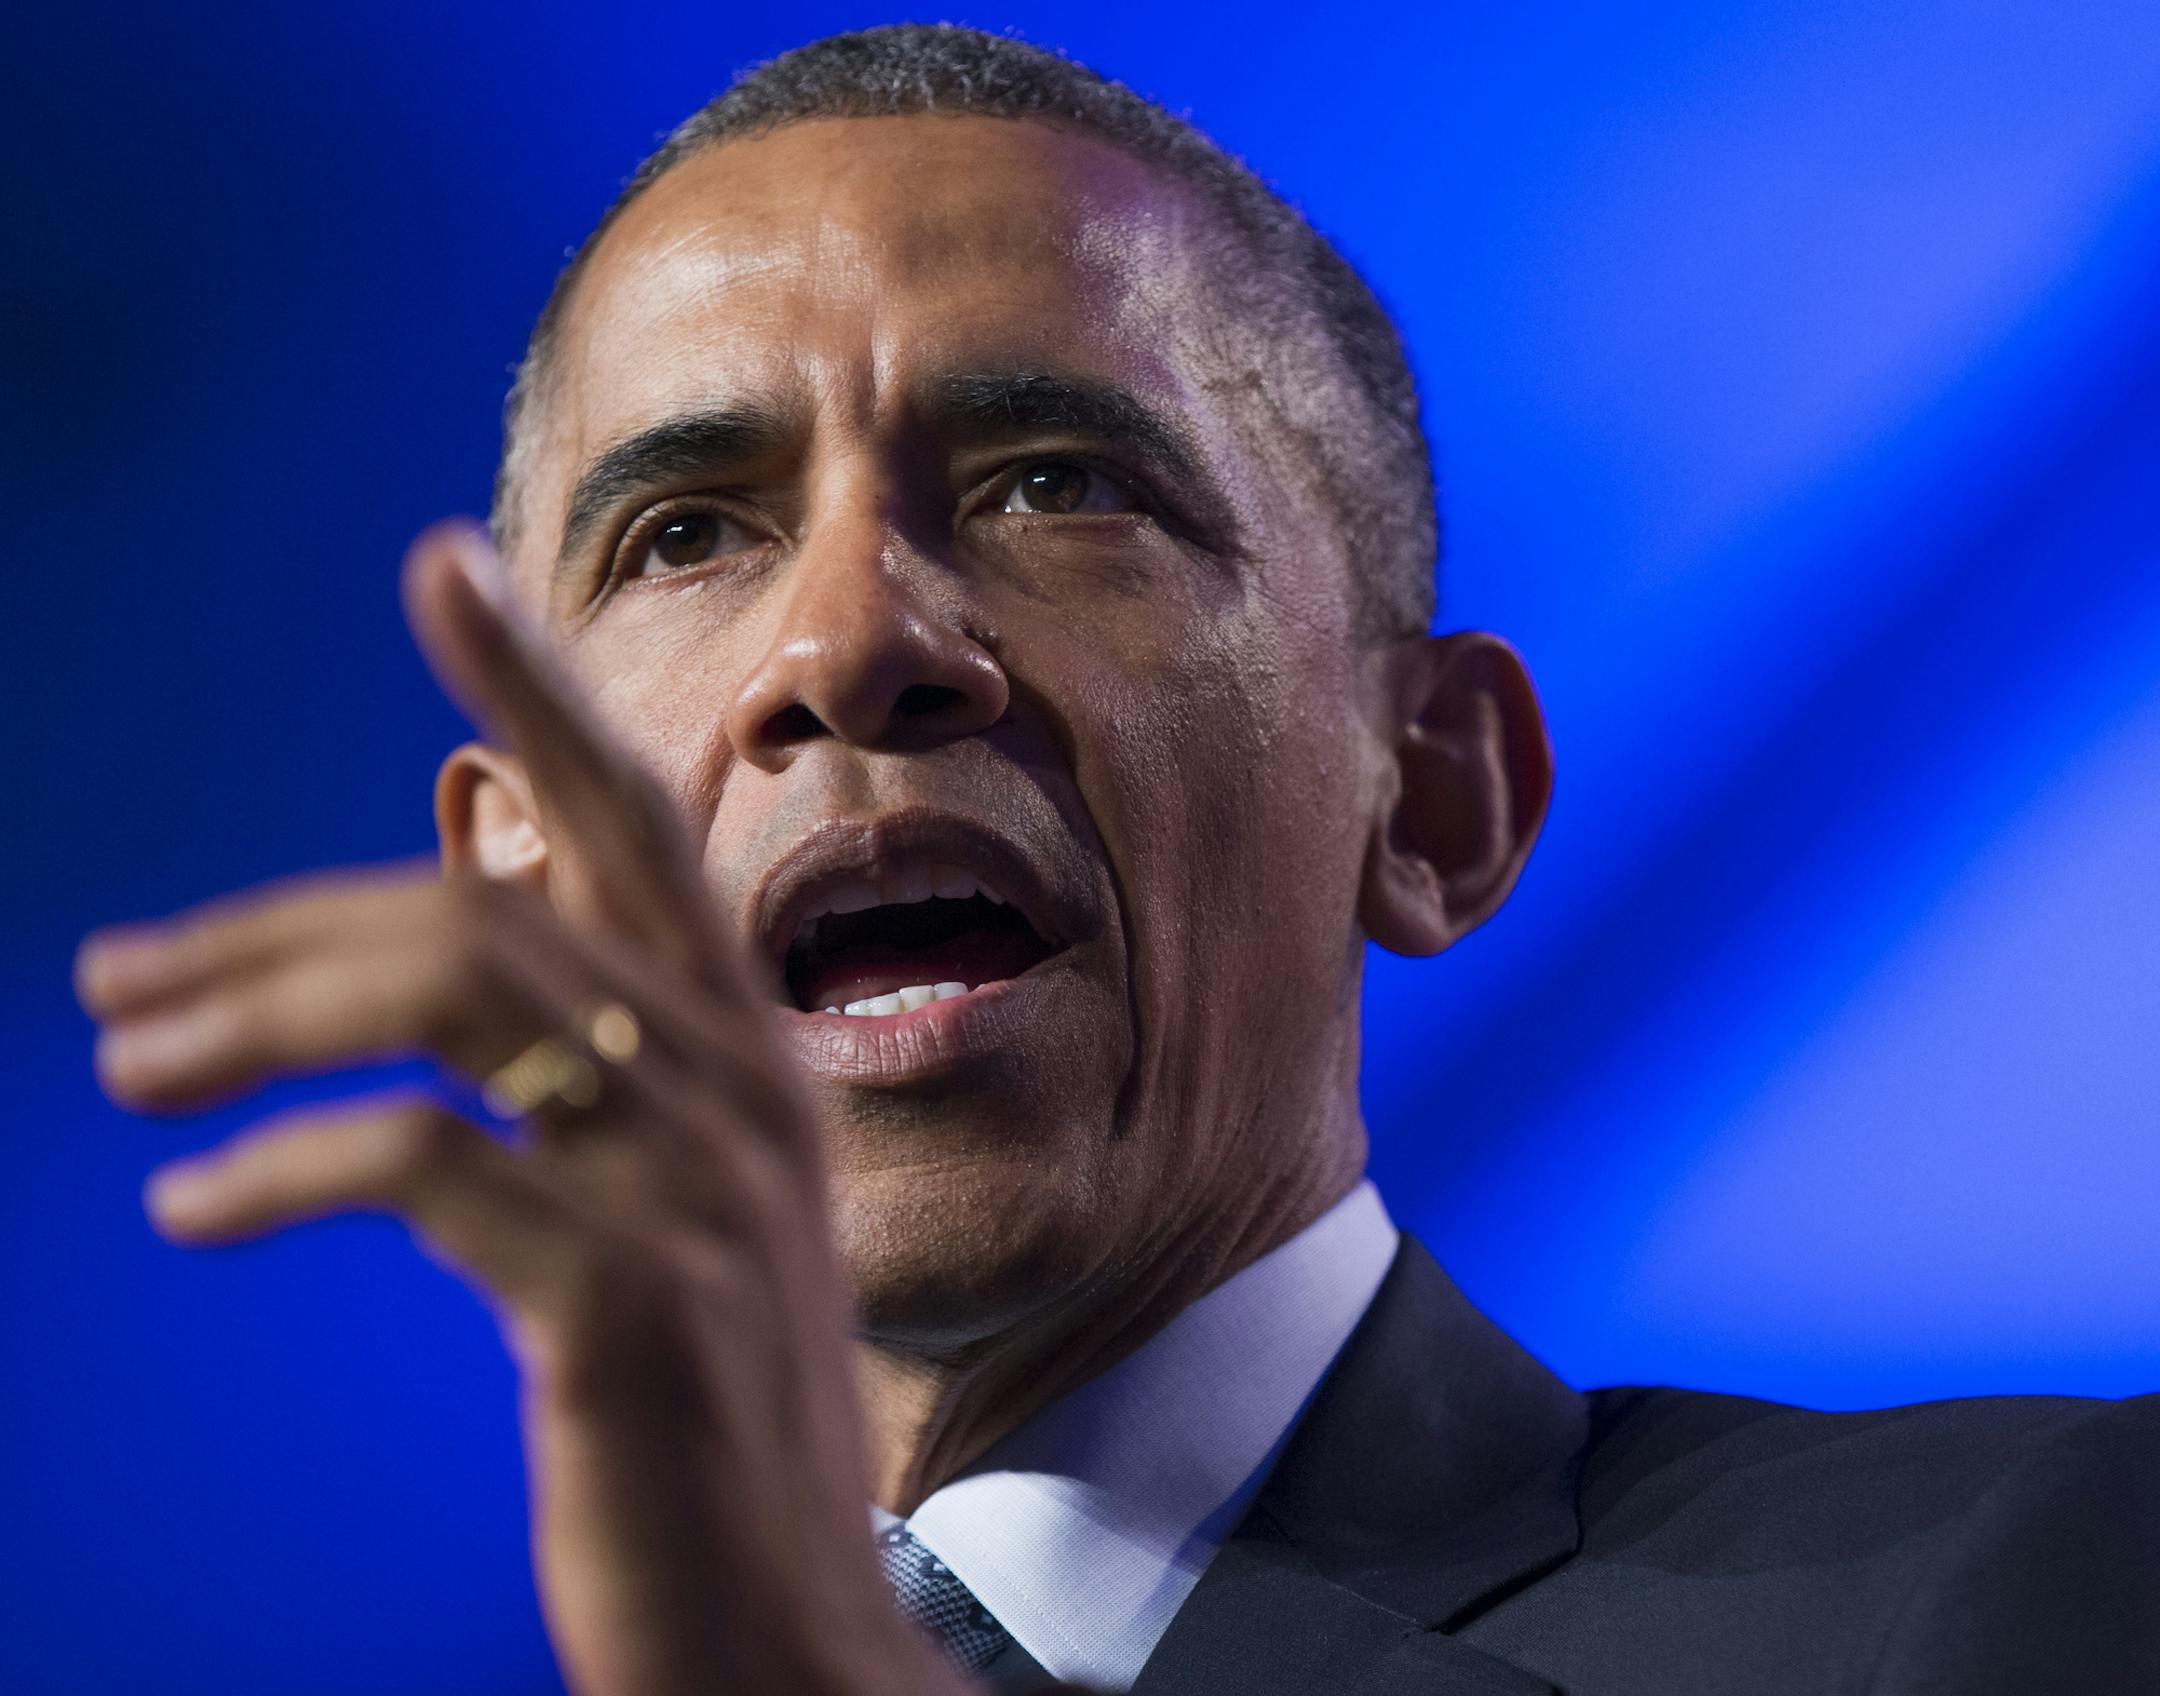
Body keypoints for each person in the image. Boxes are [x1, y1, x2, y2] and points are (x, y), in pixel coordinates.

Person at [72, 24, 2159, 1696]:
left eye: (1057, 483)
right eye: (688, 530)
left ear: (1436, 795)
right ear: (515, 889)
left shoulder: (2041, 1582)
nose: (847, 641)